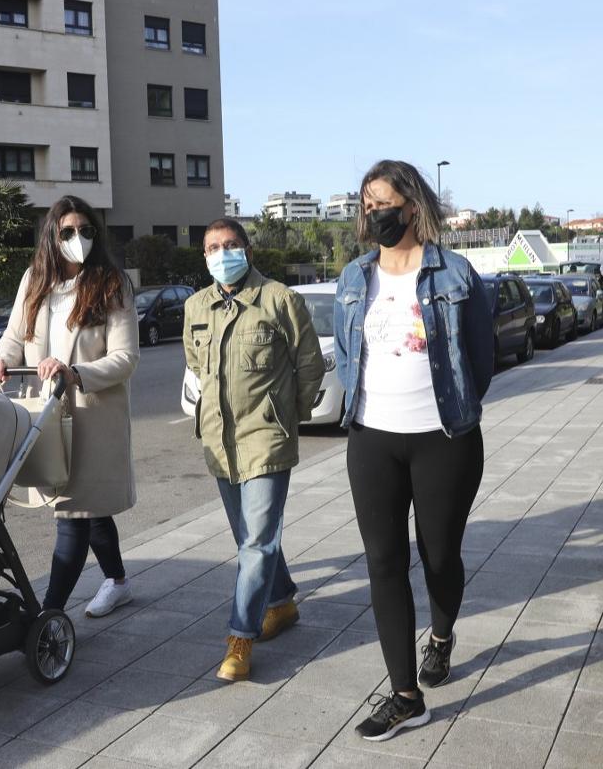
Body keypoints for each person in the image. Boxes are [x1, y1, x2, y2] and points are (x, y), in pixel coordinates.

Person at [333, 160, 494, 742]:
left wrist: (449, 410)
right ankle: (406, 695)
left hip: (443, 440)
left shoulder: (457, 273)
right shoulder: (354, 278)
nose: (377, 213)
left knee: (439, 556)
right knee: (382, 562)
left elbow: (482, 358)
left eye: (386, 202)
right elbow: (351, 360)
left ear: (413, 204)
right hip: (371, 438)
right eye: (368, 205)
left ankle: (443, 636)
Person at [0, 196, 139, 617]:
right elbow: (16, 337)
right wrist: (1, 360)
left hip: (93, 414)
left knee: (73, 515)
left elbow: (126, 358)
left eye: (86, 231)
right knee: (89, 506)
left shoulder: (111, 283)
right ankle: (119, 581)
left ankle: (47, 617)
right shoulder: (35, 279)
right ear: (52, 236)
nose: (78, 239)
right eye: (68, 231)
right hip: (46, 415)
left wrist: (75, 371)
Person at [183, 217, 324, 682]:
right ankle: (281, 604)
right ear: (204, 256)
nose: (221, 254)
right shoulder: (195, 306)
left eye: (230, 245)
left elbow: (309, 367)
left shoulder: (280, 299)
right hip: (219, 444)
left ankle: (240, 638)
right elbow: (196, 368)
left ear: (246, 249)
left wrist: (286, 419)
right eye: (212, 248)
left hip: (266, 439)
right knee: (251, 538)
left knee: (257, 541)